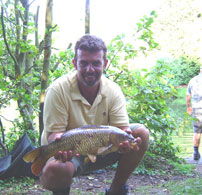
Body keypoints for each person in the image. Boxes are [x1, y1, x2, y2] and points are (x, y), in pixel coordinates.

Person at [40, 34, 149, 195]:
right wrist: (59, 146)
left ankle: (115, 190)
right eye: (83, 63)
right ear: (75, 64)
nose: (89, 69)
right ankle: (61, 190)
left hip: (104, 147)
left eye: (96, 63)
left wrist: (126, 143)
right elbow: (53, 135)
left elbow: (122, 129)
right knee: (57, 169)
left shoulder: (113, 90)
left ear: (104, 64)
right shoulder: (58, 89)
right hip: (72, 151)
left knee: (141, 133)